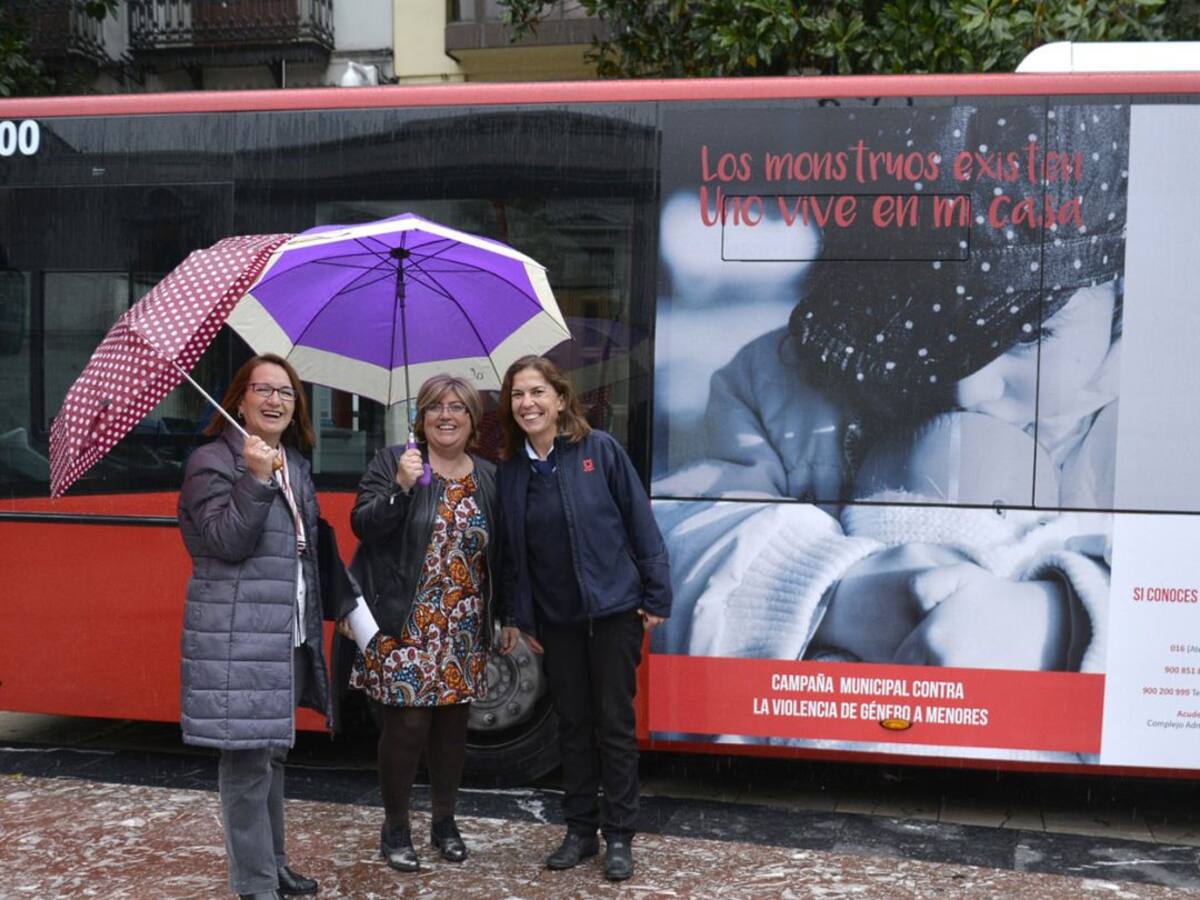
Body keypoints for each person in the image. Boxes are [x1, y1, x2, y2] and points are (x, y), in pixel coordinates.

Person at [495, 355, 671, 883]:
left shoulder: (600, 451)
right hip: (557, 621)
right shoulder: (511, 473)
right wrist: (517, 616)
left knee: (614, 725)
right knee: (572, 726)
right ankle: (579, 829)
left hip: (614, 611)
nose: (528, 403)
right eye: (518, 395)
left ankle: (619, 835)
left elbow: (641, 524)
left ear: (561, 398)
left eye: (537, 392)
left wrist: (656, 595)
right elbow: (511, 557)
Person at [178, 353, 327, 900]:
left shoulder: (294, 463)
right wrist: (255, 479)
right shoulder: (212, 462)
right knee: (244, 762)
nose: (275, 401)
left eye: (286, 393)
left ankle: (274, 864)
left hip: (283, 631)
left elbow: (307, 549)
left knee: (273, 752)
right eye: (263, 390)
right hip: (237, 636)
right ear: (238, 399)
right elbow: (225, 541)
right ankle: (255, 884)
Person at [344, 375, 500, 874]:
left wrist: (510, 615)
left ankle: (444, 822)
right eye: (435, 407)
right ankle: (395, 826)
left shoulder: (489, 477)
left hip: (462, 621)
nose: (446, 415)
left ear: (474, 419)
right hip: (402, 620)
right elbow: (363, 526)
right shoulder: (394, 462)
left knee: (453, 729)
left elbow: (506, 554)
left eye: (458, 407)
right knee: (408, 725)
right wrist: (401, 488)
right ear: (421, 417)